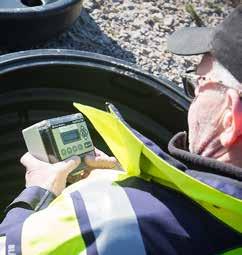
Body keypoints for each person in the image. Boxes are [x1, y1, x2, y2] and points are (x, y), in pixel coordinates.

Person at [1, 5, 242, 255]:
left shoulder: (105, 222)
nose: (192, 101)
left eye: (197, 85)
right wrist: (141, 186)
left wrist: (38, 194)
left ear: (230, 117)